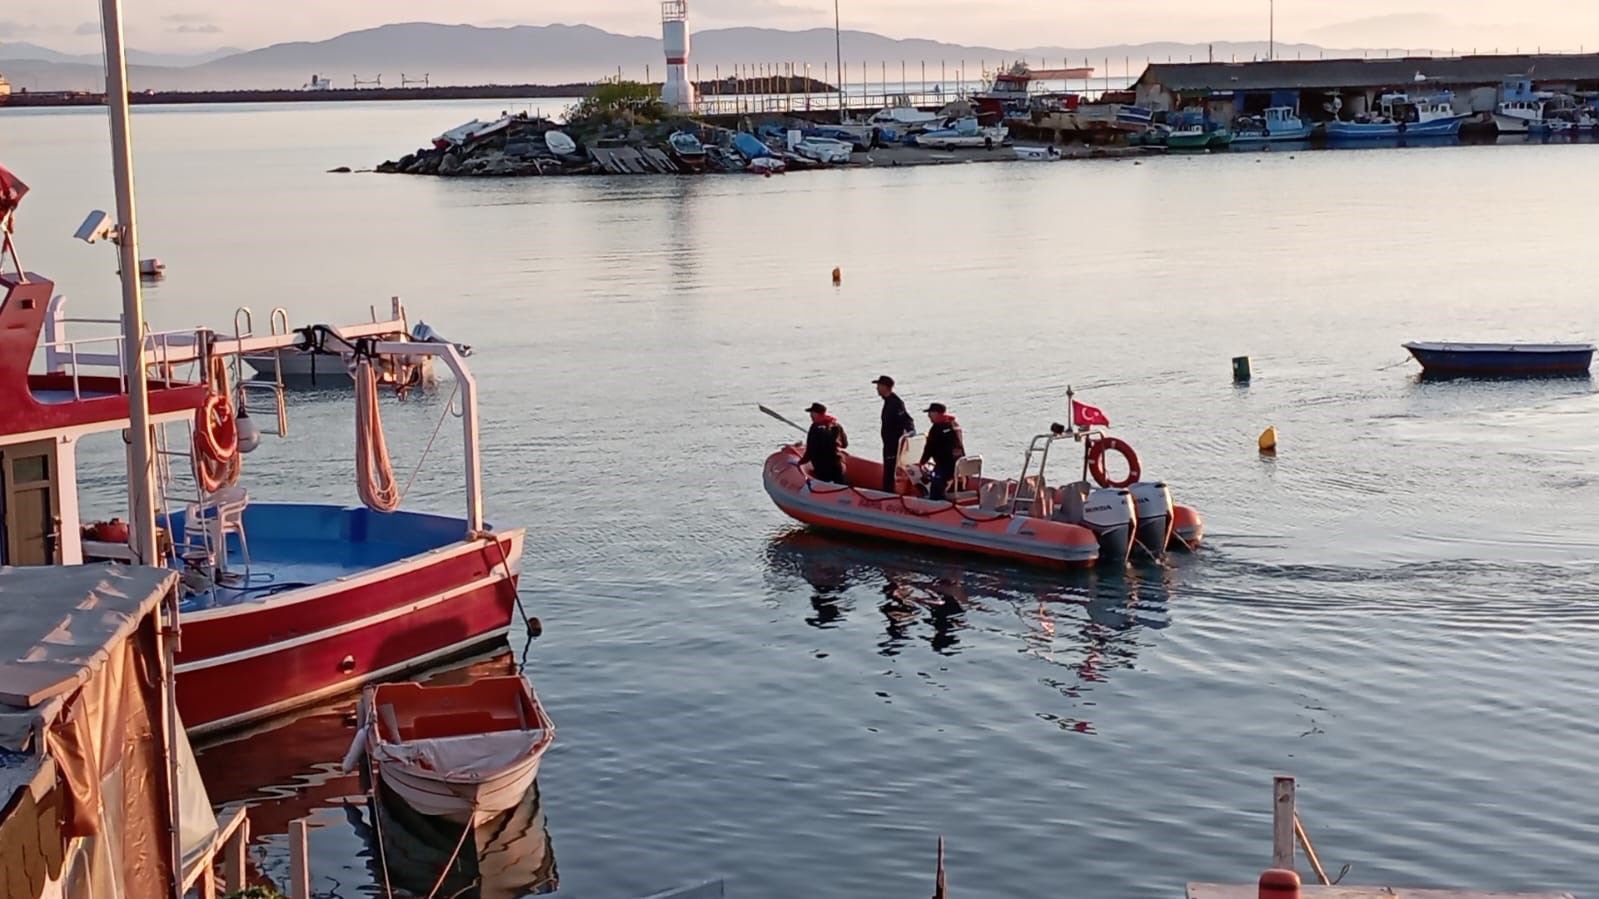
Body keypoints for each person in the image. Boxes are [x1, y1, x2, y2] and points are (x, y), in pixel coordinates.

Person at [873, 375, 915, 493]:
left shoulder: (895, 403)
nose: (877, 388)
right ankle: (888, 492)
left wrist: (911, 431)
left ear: (885, 387)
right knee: (888, 469)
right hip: (888, 442)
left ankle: (889, 494)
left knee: (890, 470)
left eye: (879, 386)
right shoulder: (888, 402)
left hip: (893, 443)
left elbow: (906, 419)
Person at [919, 402, 965, 501]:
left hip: (945, 466)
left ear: (936, 413)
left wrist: (922, 462)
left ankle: (936, 501)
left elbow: (929, 448)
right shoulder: (954, 424)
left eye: (930, 413)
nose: (928, 416)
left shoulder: (937, 428)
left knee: (936, 484)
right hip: (960, 464)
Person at [796, 402, 848, 485]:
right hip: (837, 464)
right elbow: (845, 444)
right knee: (842, 485)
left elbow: (811, 450)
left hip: (823, 467)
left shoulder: (815, 428)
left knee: (826, 486)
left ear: (816, 414)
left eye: (812, 413)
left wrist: (799, 463)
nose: (811, 416)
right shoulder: (836, 425)